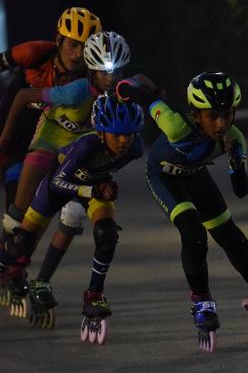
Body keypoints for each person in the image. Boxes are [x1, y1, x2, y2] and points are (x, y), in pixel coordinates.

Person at [116, 70, 248, 352]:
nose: (221, 123)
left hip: (195, 174)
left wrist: (236, 160)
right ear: (197, 114)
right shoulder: (176, 126)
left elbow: (241, 190)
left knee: (232, 237)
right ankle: (202, 302)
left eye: (227, 115)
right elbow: (144, 97)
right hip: (164, 176)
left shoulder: (235, 138)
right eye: (212, 116)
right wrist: (123, 88)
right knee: (193, 232)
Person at [0, 31, 130, 311]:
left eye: (117, 72)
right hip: (49, 144)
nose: (112, 79)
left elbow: (144, 87)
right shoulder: (76, 90)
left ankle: (41, 281)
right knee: (19, 219)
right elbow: (22, 96)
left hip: (77, 154)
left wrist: (156, 94)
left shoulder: (121, 94)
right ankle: (11, 265)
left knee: (73, 216)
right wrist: (3, 141)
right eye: (106, 73)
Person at [0, 92, 144, 332]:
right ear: (101, 132)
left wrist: (100, 187)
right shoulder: (86, 145)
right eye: (117, 134)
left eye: (129, 134)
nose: (124, 141)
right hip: (60, 185)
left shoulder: (135, 148)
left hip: (94, 186)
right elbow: (58, 183)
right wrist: (93, 189)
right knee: (21, 242)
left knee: (107, 233)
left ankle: (94, 295)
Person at [0, 7, 102, 237]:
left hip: (43, 134)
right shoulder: (35, 53)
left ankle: (15, 254)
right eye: (73, 44)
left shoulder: (90, 76)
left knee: (25, 211)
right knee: (15, 209)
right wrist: (3, 140)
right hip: (11, 123)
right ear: (58, 40)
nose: (78, 54)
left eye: (85, 47)